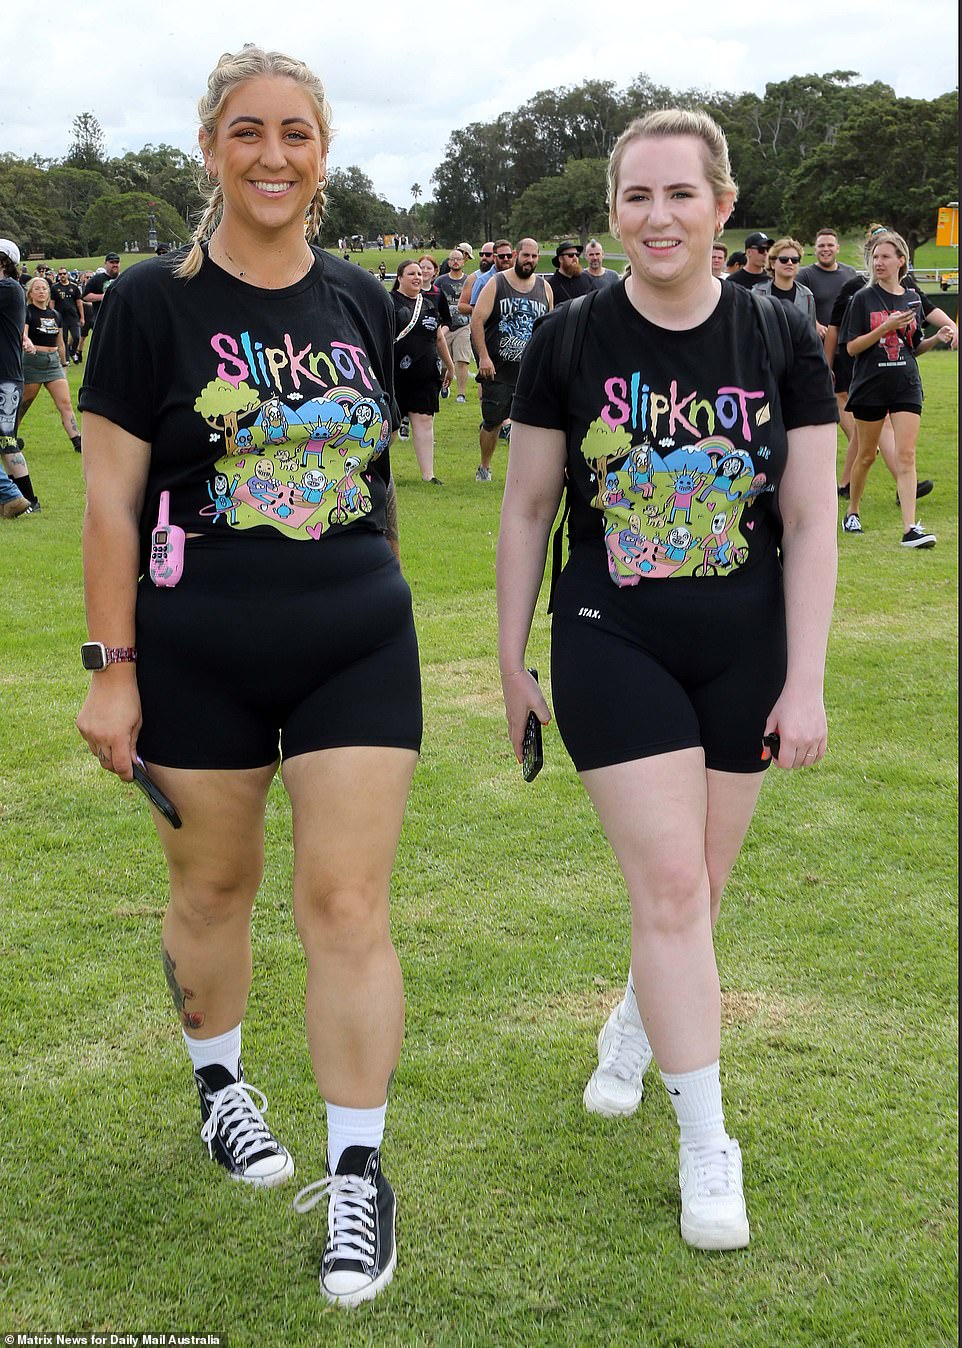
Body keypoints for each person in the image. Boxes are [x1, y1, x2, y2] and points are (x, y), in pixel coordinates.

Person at [75, 45, 422, 1309]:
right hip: (196, 649)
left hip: (356, 641)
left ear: (322, 152)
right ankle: (222, 1087)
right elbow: (110, 504)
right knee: (213, 883)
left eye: (294, 133)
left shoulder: (359, 298)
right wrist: (112, 670)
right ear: (210, 146)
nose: (271, 154)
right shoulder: (146, 305)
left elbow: (374, 473)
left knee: (345, 906)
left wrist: (372, 585)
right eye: (246, 131)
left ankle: (356, 1179)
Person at [498, 109, 838, 1252]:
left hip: (742, 642)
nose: (656, 217)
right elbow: (528, 504)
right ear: (610, 214)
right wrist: (508, 659)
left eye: (678, 195)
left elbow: (804, 513)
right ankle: (708, 1145)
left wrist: (806, 678)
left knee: (696, 884)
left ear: (721, 206)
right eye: (635, 197)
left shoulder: (779, 332)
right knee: (675, 891)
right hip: (612, 632)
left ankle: (637, 1020)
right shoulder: (566, 337)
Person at [839, 229, 953, 548]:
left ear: (901, 261)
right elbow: (851, 348)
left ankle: (909, 529)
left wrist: (935, 338)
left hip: (906, 384)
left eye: (886, 256)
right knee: (866, 455)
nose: (879, 262)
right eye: (875, 256)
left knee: (906, 454)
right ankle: (853, 510)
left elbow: (914, 346)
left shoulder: (912, 298)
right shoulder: (862, 298)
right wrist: (885, 328)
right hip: (870, 384)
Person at [470, 237, 551, 482]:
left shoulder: (544, 287)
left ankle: (524, 472)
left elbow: (547, 327)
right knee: (493, 422)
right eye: (526, 255)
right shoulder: (497, 283)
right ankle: (485, 466)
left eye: (534, 256)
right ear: (516, 255)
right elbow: (476, 320)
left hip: (530, 371)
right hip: (498, 368)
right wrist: (483, 357)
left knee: (530, 425)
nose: (530, 261)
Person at [390, 259, 454, 482]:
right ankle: (378, 470)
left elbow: (438, 337)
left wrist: (450, 365)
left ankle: (429, 475)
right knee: (391, 427)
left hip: (425, 374)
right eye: (411, 274)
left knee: (425, 422)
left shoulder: (428, 305)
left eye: (419, 273)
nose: (418, 277)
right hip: (394, 375)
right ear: (399, 278)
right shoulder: (389, 303)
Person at [20, 276, 83, 453]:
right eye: (37, 289)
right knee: (24, 402)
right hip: (33, 362)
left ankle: (77, 441)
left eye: (44, 288)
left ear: (49, 292)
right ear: (30, 293)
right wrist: (27, 344)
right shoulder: (27, 312)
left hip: (53, 362)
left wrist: (63, 363)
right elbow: (22, 335)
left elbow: (60, 342)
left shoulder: (55, 315)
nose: (41, 291)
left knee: (65, 404)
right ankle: (8, 435)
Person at [0, 237, 40, 513]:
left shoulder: (8, 288)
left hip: (5, 377)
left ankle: (24, 499)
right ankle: (23, 500)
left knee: (7, 443)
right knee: (6, 443)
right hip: (7, 377)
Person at [796, 227, 858, 339]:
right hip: (817, 342)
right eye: (821, 246)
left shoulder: (850, 272)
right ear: (815, 249)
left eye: (830, 245)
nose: (825, 249)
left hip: (846, 340)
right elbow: (797, 307)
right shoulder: (804, 275)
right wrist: (815, 325)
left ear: (837, 248)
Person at [752, 238, 816, 327]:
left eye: (795, 260)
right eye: (784, 259)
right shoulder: (758, 293)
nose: (790, 263)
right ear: (773, 264)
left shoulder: (807, 296)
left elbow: (811, 333)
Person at [436, 248, 473, 401]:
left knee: (462, 359)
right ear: (449, 262)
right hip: (445, 326)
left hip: (463, 326)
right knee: (444, 362)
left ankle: (461, 395)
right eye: (453, 259)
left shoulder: (469, 280)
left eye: (459, 258)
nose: (456, 261)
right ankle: (444, 385)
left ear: (464, 261)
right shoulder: (441, 281)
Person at [50, 266, 86, 363]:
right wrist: (51, 315)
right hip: (61, 317)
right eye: (60, 274)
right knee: (63, 339)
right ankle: (66, 359)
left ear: (67, 275)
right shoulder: (55, 288)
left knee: (76, 336)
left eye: (64, 274)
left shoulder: (74, 287)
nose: (62, 276)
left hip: (73, 317)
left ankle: (73, 352)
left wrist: (82, 317)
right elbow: (52, 303)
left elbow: (79, 303)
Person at [82, 252, 121, 329]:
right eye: (112, 262)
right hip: (102, 319)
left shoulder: (123, 278)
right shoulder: (96, 279)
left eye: (117, 262)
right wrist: (103, 297)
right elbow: (86, 296)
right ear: (105, 263)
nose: (115, 265)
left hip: (120, 317)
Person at [548, 241, 593, 305]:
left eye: (577, 255)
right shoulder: (550, 285)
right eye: (570, 255)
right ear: (560, 259)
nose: (575, 258)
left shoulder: (587, 279)